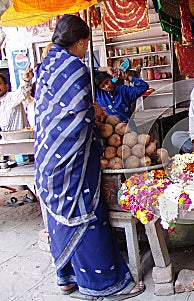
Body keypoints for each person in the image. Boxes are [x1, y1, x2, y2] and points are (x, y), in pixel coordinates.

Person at [34, 15, 145, 299]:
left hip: (48, 154)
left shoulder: (46, 64)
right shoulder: (74, 67)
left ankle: (66, 277)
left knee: (59, 217)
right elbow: (79, 118)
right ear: (82, 41)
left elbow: (54, 111)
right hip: (73, 156)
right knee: (86, 213)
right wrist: (95, 116)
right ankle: (103, 284)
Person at [0, 63, 34, 132]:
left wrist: (26, 80)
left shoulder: (11, 98)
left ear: (7, 86)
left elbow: (23, 91)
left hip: (21, 140)